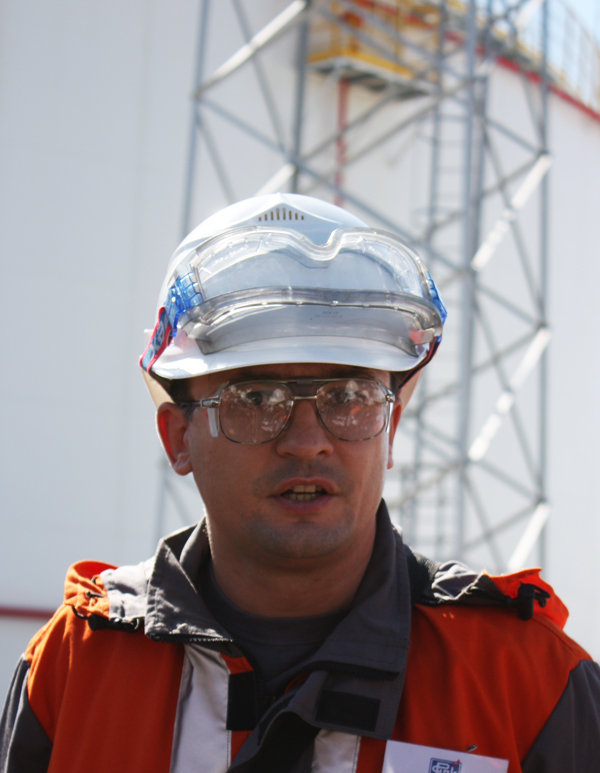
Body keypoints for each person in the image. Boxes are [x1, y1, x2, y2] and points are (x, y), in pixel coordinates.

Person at [1, 194, 599, 773]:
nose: (307, 441)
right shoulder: (76, 666)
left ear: (389, 427)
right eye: (256, 398)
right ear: (178, 438)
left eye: (349, 396)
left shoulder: (528, 685)